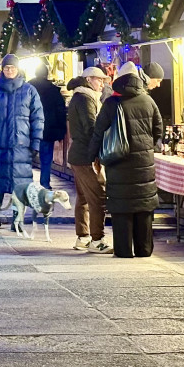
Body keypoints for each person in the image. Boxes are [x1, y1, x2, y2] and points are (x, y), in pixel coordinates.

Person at [88, 61, 164, 259]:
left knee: (122, 208)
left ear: (118, 81)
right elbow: (159, 130)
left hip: (118, 163)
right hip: (144, 165)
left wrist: (92, 156)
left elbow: (98, 132)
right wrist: (148, 147)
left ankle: (123, 251)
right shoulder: (148, 101)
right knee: (144, 207)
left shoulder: (111, 103)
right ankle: (144, 250)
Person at [0, 54, 44, 231]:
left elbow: (38, 119)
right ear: (2, 69)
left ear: (18, 69)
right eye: (6, 68)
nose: (9, 70)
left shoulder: (29, 91)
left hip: (21, 146)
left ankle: (17, 219)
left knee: (19, 185)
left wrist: (36, 143)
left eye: (12, 67)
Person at [67, 66, 110, 252]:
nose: (102, 83)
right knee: (97, 196)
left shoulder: (79, 96)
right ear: (89, 80)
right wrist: (96, 154)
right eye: (99, 79)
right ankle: (97, 240)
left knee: (84, 197)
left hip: (78, 153)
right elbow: (91, 127)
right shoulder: (85, 98)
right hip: (85, 155)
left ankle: (83, 237)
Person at [28, 63, 68, 189]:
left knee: (27, 158)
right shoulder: (53, 90)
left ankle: (27, 185)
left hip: (30, 130)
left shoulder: (27, 87)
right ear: (47, 74)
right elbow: (60, 111)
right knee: (46, 159)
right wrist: (61, 130)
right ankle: (45, 184)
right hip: (48, 130)